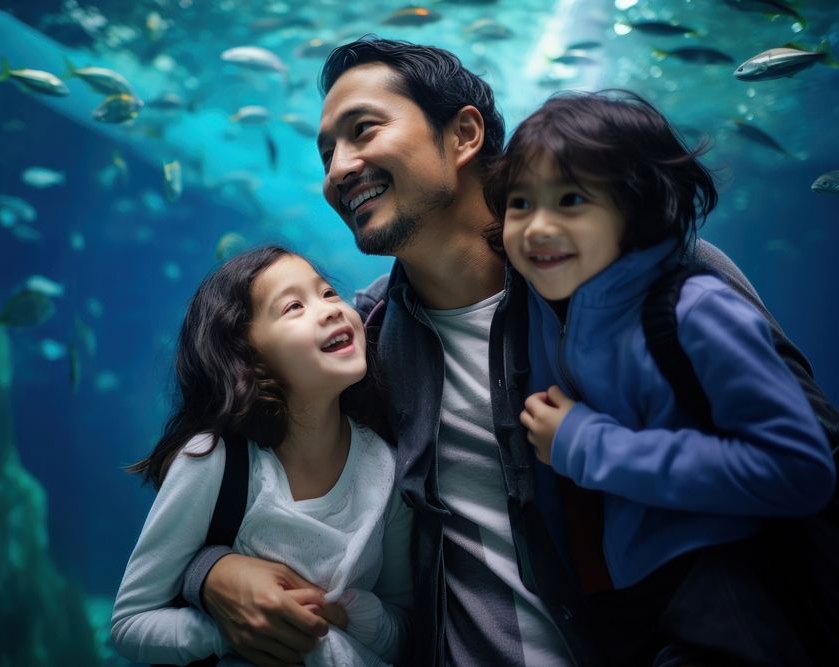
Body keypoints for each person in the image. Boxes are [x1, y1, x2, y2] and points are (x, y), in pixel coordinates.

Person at [179, 37, 826, 667]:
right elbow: (245, 478)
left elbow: (812, 451)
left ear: (464, 134)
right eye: (326, 154)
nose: (338, 170)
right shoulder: (361, 339)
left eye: (363, 130)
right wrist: (212, 570)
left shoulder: (651, 275)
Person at [486, 89, 835, 665]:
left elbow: (798, 468)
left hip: (728, 586)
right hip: (647, 601)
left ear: (640, 207)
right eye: (520, 203)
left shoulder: (694, 309)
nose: (536, 227)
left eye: (570, 199)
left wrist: (583, 442)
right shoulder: (572, 316)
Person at [110, 246, 413, 666]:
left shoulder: (386, 469)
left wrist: (345, 615)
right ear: (248, 358)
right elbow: (130, 623)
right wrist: (229, 631)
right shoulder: (214, 461)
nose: (329, 310)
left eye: (327, 293)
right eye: (293, 306)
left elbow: (404, 629)